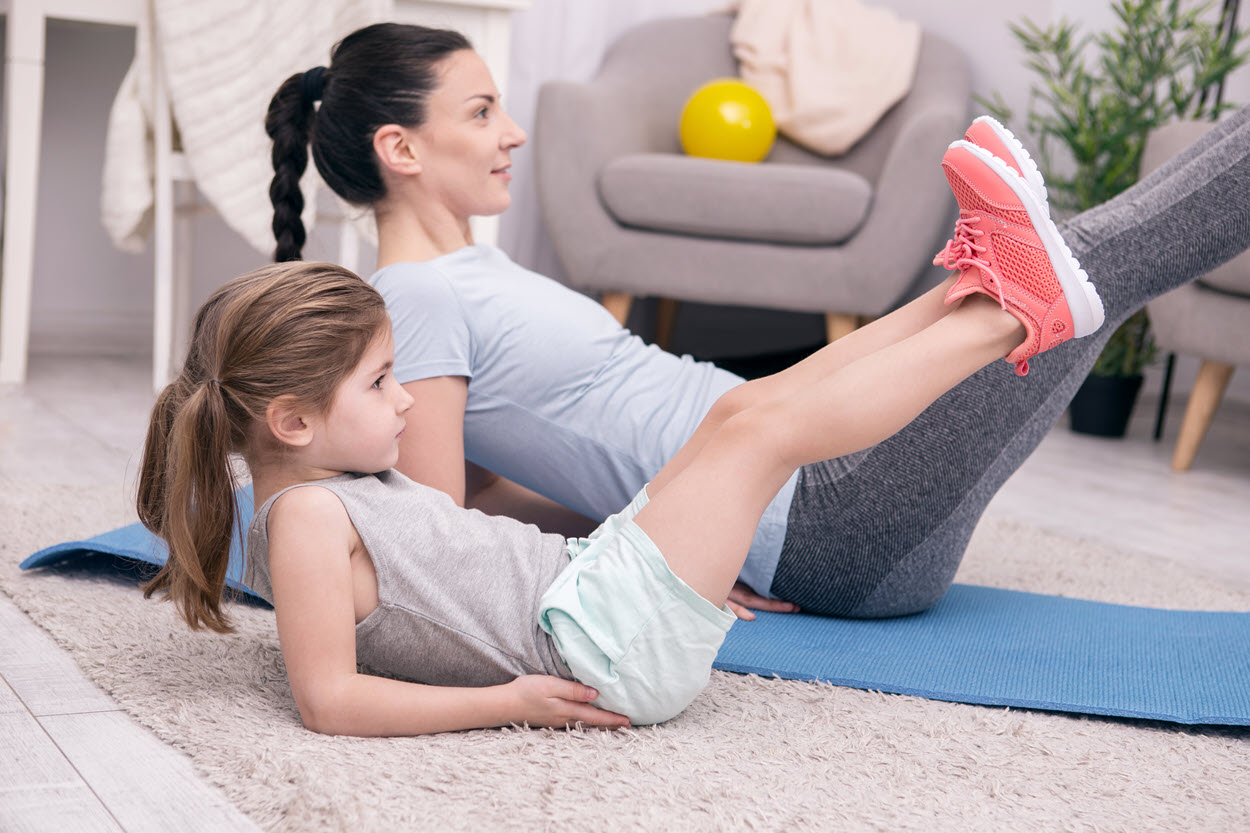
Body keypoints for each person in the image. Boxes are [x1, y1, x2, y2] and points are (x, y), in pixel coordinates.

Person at [265, 22, 1250, 622]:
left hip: (811, 462)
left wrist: (672, 529)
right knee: (1087, 265)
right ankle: (1015, 281)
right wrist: (656, 559)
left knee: (1079, 260)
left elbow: (499, 485)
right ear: (399, 146)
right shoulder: (417, 300)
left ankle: (998, 278)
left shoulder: (467, 272)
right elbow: (442, 532)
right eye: (480, 113)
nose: (511, 131)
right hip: (827, 521)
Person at [138, 136, 1113, 733]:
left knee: (739, 412)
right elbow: (330, 701)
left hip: (600, 591)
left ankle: (975, 287)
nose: (407, 402)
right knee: (761, 432)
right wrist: (508, 702)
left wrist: (659, 544)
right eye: (383, 381)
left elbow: (468, 560)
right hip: (595, 648)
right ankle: (1013, 315)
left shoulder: (327, 484)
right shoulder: (305, 516)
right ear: (292, 420)